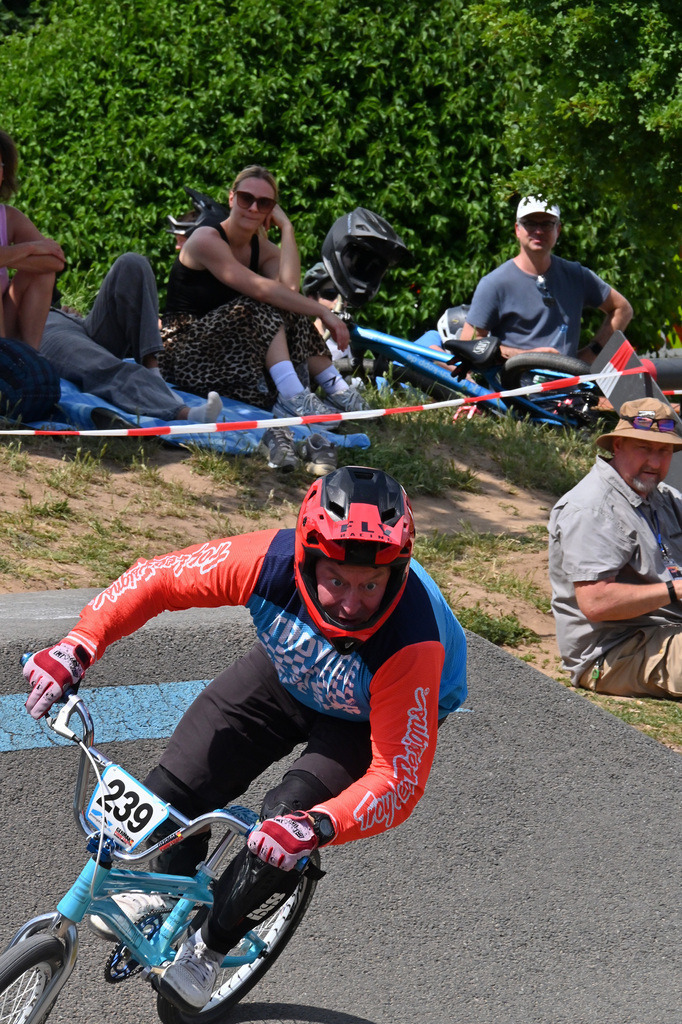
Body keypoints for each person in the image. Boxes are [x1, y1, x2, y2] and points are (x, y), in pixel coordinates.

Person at [23, 465, 468, 1013]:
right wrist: (77, 646)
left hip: (366, 717)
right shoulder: (267, 560)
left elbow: (398, 779)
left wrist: (316, 826)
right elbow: (155, 578)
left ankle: (208, 950)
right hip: (287, 676)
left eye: (371, 585)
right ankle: (170, 890)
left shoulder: (411, 642)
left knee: (283, 823)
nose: (352, 604)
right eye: (337, 581)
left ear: (396, 572)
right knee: (170, 793)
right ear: (306, 559)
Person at [159, 166, 369, 425]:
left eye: (265, 203)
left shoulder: (261, 249)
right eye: (247, 198)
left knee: (288, 304)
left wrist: (287, 228)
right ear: (232, 198)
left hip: (226, 351)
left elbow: (290, 290)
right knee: (258, 302)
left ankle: (337, 389)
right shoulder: (206, 239)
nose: (254, 209)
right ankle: (294, 396)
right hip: (183, 353)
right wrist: (324, 311)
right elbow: (261, 290)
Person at [548, 397, 682, 699]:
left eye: (664, 451)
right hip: (613, 652)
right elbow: (596, 603)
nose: (656, 462)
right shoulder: (591, 508)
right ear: (618, 445)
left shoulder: (662, 497)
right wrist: (676, 589)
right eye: (644, 448)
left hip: (668, 633)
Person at [41, 254, 222, 423]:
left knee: (132, 263)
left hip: (68, 319)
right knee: (104, 366)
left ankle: (154, 372)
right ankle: (184, 413)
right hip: (41, 326)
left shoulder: (17, 226)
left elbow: (51, 256)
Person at [459, 196, 633, 363]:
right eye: (530, 223)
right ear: (517, 229)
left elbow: (622, 309)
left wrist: (592, 353)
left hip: (569, 390)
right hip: (514, 390)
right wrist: (525, 357)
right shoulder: (495, 284)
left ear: (558, 230)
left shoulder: (577, 276)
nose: (539, 231)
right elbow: (469, 343)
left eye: (547, 224)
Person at [0, 129, 65, 350]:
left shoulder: (8, 217)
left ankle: (29, 358)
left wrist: (7, 257)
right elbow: (41, 250)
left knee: (42, 272)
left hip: (4, 317)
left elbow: (55, 261)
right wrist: (30, 248)